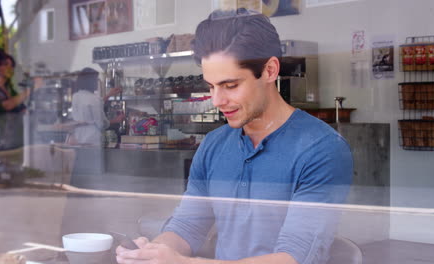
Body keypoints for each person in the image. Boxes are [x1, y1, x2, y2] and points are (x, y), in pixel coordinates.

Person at [116, 9, 353, 264]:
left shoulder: (322, 149)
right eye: (210, 86)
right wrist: (152, 251)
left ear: (270, 70)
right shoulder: (214, 145)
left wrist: (184, 263)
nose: (217, 101)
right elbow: (187, 227)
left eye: (230, 86)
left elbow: (295, 257)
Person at [0, 52, 39, 150]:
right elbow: (7, 105)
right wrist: (31, 89)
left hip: (13, 143)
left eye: (12, 66)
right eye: (6, 64)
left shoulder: (10, 89)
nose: (10, 68)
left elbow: (21, 109)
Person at [70, 67, 124, 145]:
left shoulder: (76, 96)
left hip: (78, 139)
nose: (97, 82)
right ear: (89, 81)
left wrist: (108, 95)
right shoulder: (94, 99)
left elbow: (92, 104)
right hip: (92, 141)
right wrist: (116, 120)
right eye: (95, 80)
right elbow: (102, 124)